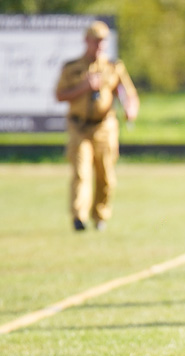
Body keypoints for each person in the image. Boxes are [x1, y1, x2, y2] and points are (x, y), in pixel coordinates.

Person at [55, 20, 140, 232]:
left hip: (104, 126)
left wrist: (130, 110)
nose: (99, 45)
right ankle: (78, 217)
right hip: (78, 126)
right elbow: (60, 95)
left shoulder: (113, 66)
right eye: (96, 41)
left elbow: (128, 94)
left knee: (105, 175)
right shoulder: (72, 67)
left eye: (103, 41)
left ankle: (100, 216)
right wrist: (83, 87)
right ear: (86, 41)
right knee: (81, 172)